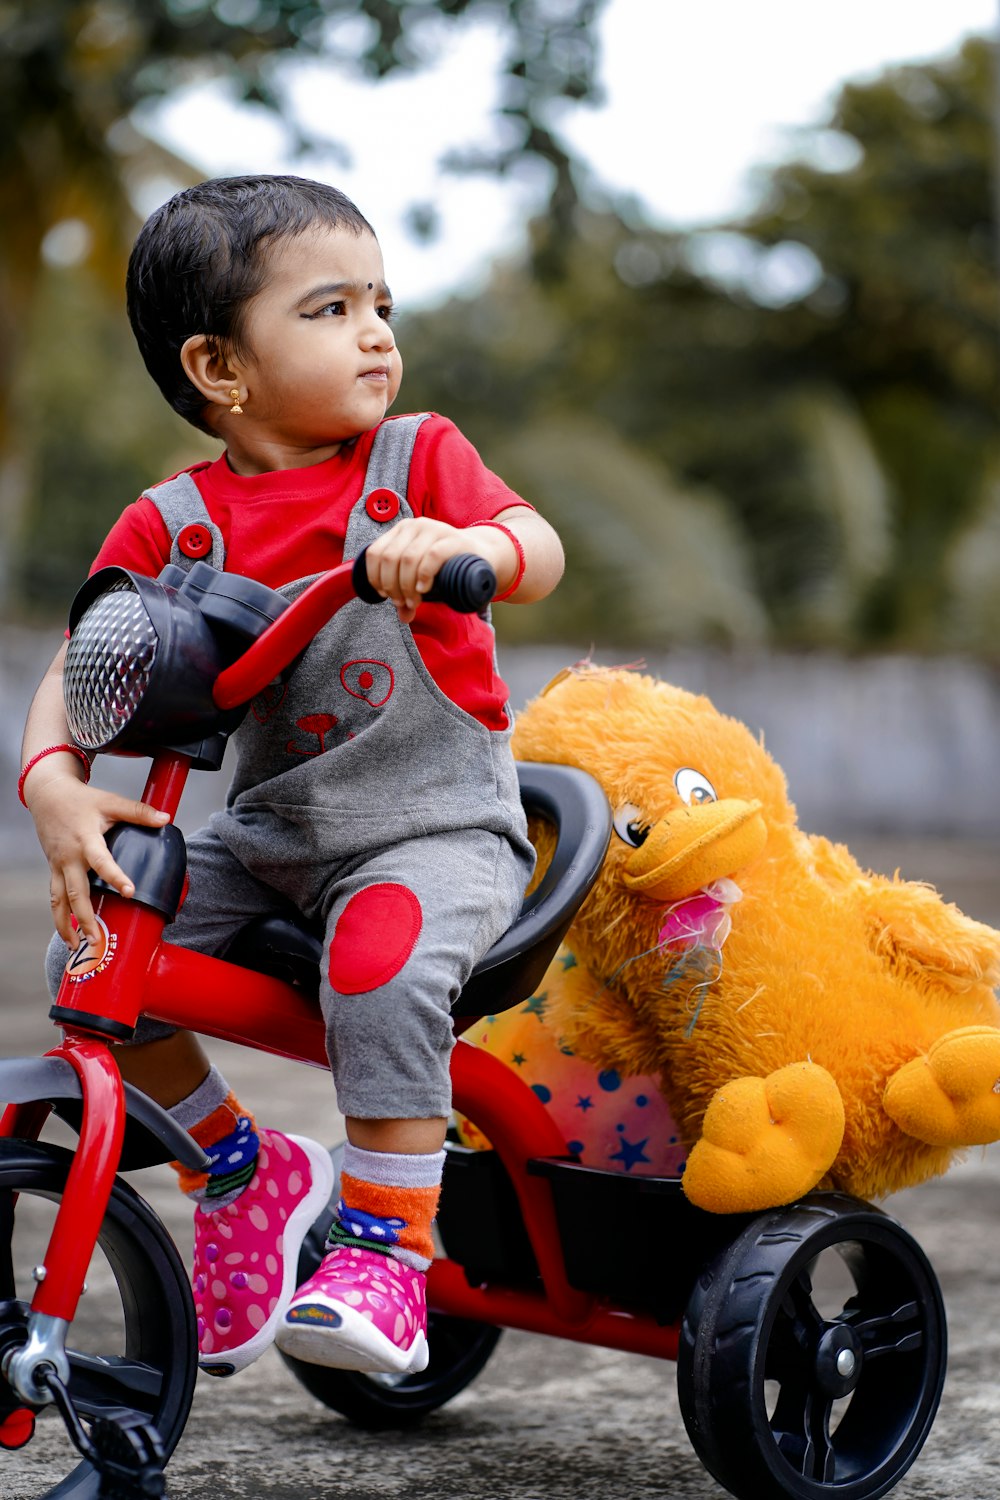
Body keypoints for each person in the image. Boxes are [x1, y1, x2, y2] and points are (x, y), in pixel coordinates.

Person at [20, 174, 564, 1380]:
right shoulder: (175, 525)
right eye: (329, 309)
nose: (377, 331)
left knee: (378, 968)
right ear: (220, 368)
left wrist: (463, 544)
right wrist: (53, 777)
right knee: (97, 955)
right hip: (272, 841)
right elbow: (85, 655)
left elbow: (538, 546)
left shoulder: (417, 461)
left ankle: (383, 1248)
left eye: (382, 302)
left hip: (432, 834)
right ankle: (240, 1168)